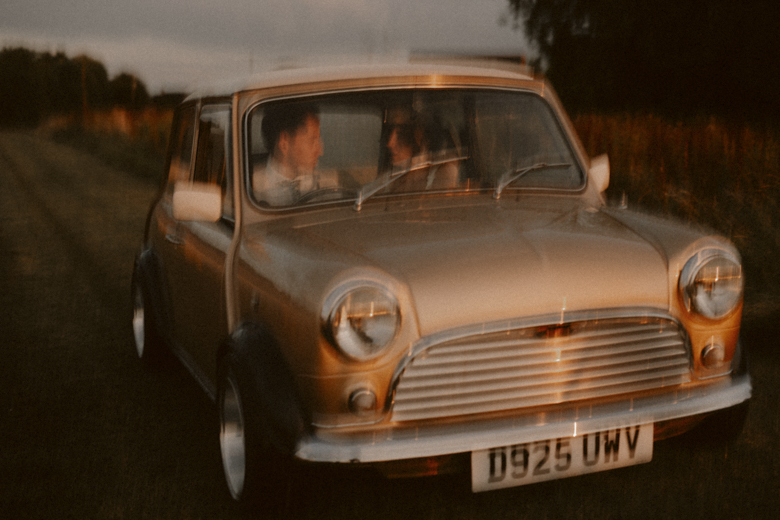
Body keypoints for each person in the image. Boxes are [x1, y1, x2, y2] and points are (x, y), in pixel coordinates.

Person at [253, 103, 324, 206]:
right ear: (284, 141)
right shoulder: (253, 191)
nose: (320, 151)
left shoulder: (327, 186)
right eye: (312, 141)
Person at [384, 107, 460, 192]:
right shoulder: (391, 174)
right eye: (389, 132)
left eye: (400, 134)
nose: (390, 143)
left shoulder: (443, 171)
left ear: (419, 137)